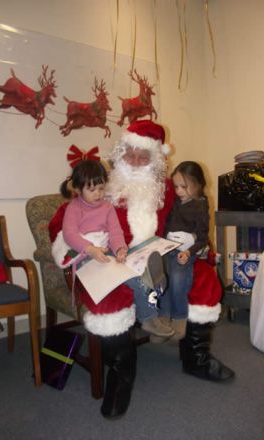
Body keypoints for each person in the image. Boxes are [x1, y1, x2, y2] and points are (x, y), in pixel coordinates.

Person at [49, 120, 234, 420]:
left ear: (156, 159)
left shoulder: (168, 191)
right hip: (106, 261)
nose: (135, 161)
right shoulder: (99, 188)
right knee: (110, 299)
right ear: (120, 153)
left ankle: (195, 357)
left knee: (202, 277)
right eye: (130, 153)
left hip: (156, 257)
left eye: (143, 156)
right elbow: (61, 224)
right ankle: (122, 376)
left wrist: (201, 252)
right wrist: (86, 249)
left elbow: (191, 222)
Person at [158, 161, 209, 343]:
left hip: (187, 250)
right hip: (168, 247)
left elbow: (202, 237)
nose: (178, 191)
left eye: (184, 187)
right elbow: (166, 224)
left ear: (198, 184)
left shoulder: (200, 205)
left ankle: (180, 319)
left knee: (178, 276)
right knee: (161, 277)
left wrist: (189, 252)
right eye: (176, 186)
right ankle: (163, 318)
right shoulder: (175, 202)